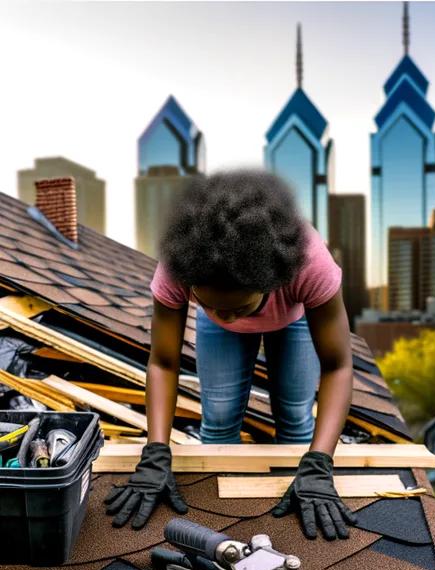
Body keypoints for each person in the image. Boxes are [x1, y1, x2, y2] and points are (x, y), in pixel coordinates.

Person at [104, 169, 358, 541]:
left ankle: (300, 492)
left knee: (293, 416)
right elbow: (163, 362)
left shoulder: (309, 261)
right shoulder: (180, 265)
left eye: (240, 307)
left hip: (293, 321)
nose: (227, 317)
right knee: (219, 418)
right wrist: (155, 452)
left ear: (271, 282)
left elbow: (337, 366)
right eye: (211, 306)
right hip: (226, 334)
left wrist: (320, 464)